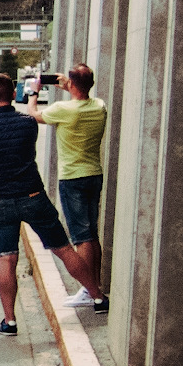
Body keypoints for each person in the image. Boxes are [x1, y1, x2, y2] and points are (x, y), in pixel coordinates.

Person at [0, 72, 106, 335]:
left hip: (1, 203)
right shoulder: (28, 124)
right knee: (63, 249)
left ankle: (10, 322)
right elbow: (34, 122)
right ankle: (97, 298)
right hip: (33, 198)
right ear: (11, 94)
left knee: (7, 259)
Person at [23, 64, 108, 306]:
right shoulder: (100, 107)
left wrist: (34, 94)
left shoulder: (62, 109)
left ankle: (88, 291)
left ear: (71, 85)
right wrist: (69, 85)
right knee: (91, 234)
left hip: (72, 178)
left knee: (81, 237)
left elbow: (32, 115)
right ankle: (95, 285)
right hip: (94, 174)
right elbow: (83, 96)